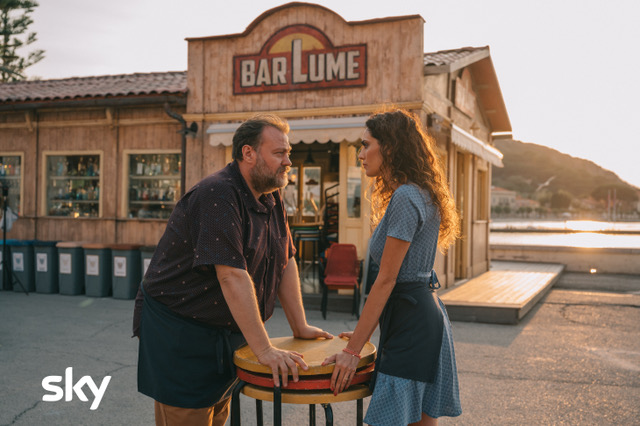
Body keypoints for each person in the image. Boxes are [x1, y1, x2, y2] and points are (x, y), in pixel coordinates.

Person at [132, 114, 333, 426]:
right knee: (190, 417)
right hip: (180, 331)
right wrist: (264, 349)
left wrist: (300, 326)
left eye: (288, 152)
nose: (288, 161)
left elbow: (286, 258)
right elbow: (231, 275)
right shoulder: (217, 194)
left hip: (223, 329)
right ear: (248, 153)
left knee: (218, 413)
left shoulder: (271, 194)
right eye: (279, 153)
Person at [322, 109, 462, 425]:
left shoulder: (406, 197)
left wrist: (352, 351)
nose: (360, 154)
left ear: (390, 147)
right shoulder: (421, 193)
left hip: (412, 326)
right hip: (422, 319)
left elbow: (386, 281)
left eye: (366, 144)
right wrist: (361, 334)